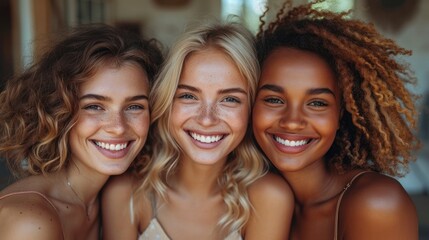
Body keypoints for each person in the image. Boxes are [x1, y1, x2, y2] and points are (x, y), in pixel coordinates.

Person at [102, 20, 294, 240]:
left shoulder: (269, 198)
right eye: (188, 96)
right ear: (167, 103)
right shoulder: (125, 195)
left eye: (230, 99)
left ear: (251, 109)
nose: (206, 119)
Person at [253, 1, 420, 239]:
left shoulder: (376, 203)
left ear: (342, 114)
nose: (292, 122)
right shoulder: (248, 196)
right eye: (274, 100)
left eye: (317, 103)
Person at [0, 24, 163, 239]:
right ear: (59, 111)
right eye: (94, 106)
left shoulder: (111, 197)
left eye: (135, 106)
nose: (118, 126)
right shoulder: (31, 222)